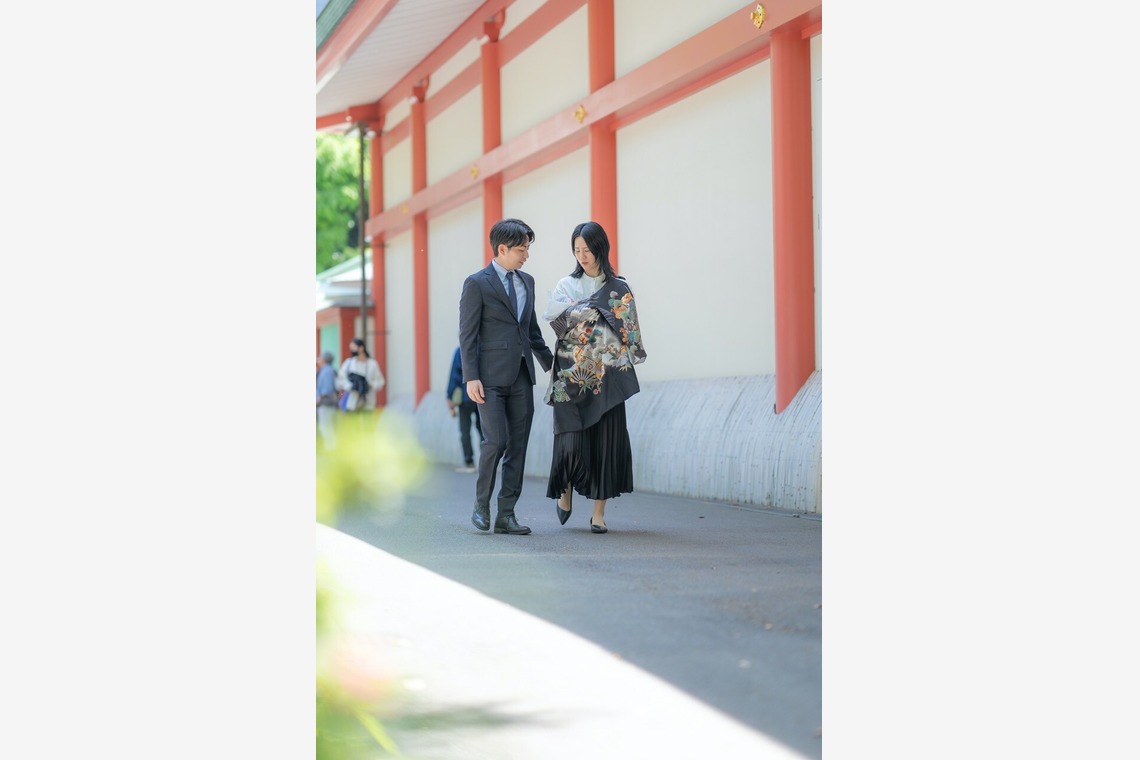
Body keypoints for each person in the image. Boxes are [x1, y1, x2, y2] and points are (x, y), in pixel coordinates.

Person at [543, 221, 647, 533]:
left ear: (600, 248)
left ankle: (599, 513)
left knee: (606, 441)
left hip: (608, 377)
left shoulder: (619, 288)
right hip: (572, 375)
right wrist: (585, 312)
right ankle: (565, 491)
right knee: (569, 441)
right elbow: (558, 326)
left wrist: (595, 312)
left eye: (587, 250)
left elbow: (629, 329)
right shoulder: (565, 286)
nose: (582, 256)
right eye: (577, 250)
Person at [459, 218, 555, 535]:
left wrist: (553, 364)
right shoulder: (477, 283)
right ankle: (481, 504)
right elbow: (467, 335)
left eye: (528, 247)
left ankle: (506, 514)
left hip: (521, 377)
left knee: (518, 446)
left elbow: (531, 332)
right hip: (488, 378)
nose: (526, 254)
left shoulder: (527, 281)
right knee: (495, 441)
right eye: (521, 248)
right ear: (502, 249)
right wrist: (471, 377)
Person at [446, 344, 483, 473]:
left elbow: (454, 375)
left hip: (465, 398)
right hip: (482, 395)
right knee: (483, 429)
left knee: (465, 431)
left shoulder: (460, 351)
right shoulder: (483, 347)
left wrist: (450, 395)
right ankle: (486, 461)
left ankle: (469, 462)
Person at [337, 337, 385, 413]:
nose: (352, 350)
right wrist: (352, 386)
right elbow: (340, 379)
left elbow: (380, 381)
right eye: (351, 348)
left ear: (361, 348)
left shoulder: (372, 364)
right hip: (351, 403)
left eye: (354, 347)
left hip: (368, 402)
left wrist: (370, 384)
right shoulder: (349, 363)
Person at [316, 350, 339, 450]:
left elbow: (327, 389)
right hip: (325, 403)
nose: (318, 360)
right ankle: (329, 448)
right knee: (325, 426)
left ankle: (331, 448)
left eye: (320, 358)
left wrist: (318, 398)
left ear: (324, 359)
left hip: (326, 403)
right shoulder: (325, 370)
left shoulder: (327, 371)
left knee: (326, 427)